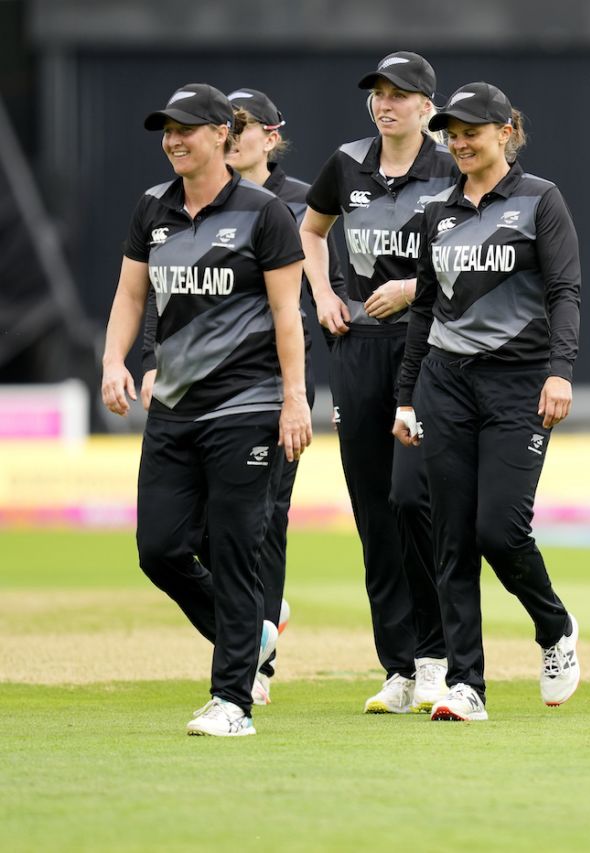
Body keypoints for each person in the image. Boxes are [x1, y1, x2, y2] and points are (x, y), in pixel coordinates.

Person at [100, 83, 311, 735]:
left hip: (247, 405)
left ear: (222, 133)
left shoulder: (263, 212)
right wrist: (115, 360)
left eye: (185, 128)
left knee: (238, 546)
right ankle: (249, 635)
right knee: (159, 548)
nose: (172, 139)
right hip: (174, 407)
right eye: (166, 130)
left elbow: (286, 314)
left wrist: (294, 398)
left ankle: (233, 701)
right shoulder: (152, 209)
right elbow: (133, 295)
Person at [137, 87, 347, 705]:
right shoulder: (172, 205)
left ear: (263, 136)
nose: (241, 133)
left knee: (258, 525)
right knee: (189, 536)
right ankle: (250, 631)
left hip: (268, 384)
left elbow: (298, 306)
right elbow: (160, 291)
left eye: (249, 124)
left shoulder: (297, 205)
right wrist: (149, 360)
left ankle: (251, 670)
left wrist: (297, 391)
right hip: (190, 388)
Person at [394, 81, 582, 722]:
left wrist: (560, 373)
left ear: (506, 132)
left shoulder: (539, 200)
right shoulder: (437, 211)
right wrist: (405, 396)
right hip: (445, 383)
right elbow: (425, 307)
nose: (459, 141)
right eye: (452, 131)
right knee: (450, 537)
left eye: (472, 130)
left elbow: (565, 293)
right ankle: (466, 684)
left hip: (519, 385)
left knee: (498, 530)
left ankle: (554, 628)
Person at [301, 52, 457, 714]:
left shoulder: (450, 170)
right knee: (371, 511)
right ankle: (397, 667)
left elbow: (472, 260)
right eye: (378, 93)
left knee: (411, 500)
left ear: (427, 106)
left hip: (422, 349)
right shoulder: (346, 165)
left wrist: (413, 286)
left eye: (400, 94)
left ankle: (435, 657)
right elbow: (310, 232)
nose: (384, 104)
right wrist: (324, 294)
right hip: (357, 349)